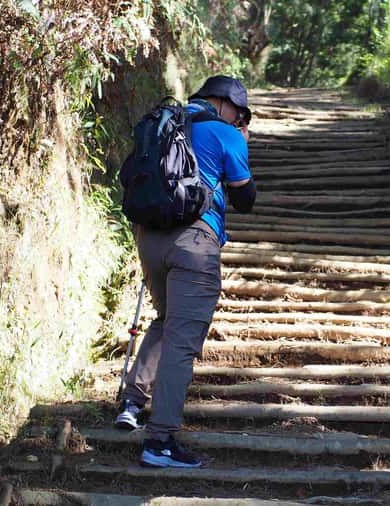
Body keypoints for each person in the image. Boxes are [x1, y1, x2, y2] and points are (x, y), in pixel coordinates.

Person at [113, 75, 256, 468]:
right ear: (224, 105)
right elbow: (246, 199)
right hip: (194, 242)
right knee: (182, 339)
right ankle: (159, 441)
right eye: (239, 113)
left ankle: (131, 401)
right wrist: (239, 144)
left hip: (149, 238)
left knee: (165, 320)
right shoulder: (224, 133)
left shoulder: (164, 123)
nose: (239, 120)